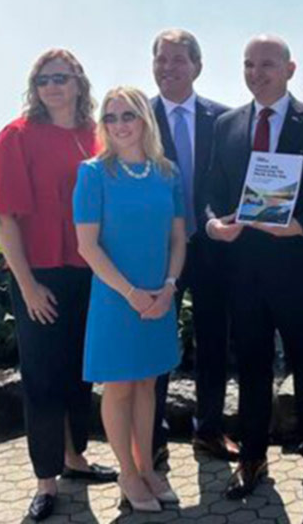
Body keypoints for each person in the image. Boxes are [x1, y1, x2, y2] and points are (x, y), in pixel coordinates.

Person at [204, 35, 303, 499]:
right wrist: (212, 224)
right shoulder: (227, 124)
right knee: (250, 366)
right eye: (249, 64)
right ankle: (252, 458)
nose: (256, 73)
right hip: (243, 270)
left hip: (299, 268)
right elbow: (212, 191)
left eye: (266, 64)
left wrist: (302, 227)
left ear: (290, 69)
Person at [0, 48, 117, 521]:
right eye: (44, 80)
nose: (53, 87)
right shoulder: (17, 138)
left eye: (62, 78)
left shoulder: (95, 136)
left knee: (80, 373)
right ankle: (46, 479)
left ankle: (74, 458)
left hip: (90, 272)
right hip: (40, 273)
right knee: (42, 378)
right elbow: (4, 219)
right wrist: (27, 285)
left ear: (79, 83)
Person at [73, 86, 186, 513]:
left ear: (144, 120)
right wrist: (132, 294)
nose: (119, 124)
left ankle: (147, 468)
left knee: (148, 384)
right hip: (117, 300)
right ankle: (127, 473)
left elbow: (178, 238)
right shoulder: (93, 173)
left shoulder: (167, 172)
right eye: (111, 117)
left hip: (161, 296)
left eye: (128, 115)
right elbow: (88, 246)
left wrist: (170, 285)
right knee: (119, 387)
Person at [147, 28, 237, 464]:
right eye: (161, 59)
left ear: (197, 66)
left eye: (178, 60)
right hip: (158, 250)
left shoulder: (223, 119)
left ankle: (211, 430)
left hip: (212, 245)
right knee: (156, 339)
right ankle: (152, 437)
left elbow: (229, 182)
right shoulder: (136, 117)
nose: (169, 68)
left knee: (214, 341)